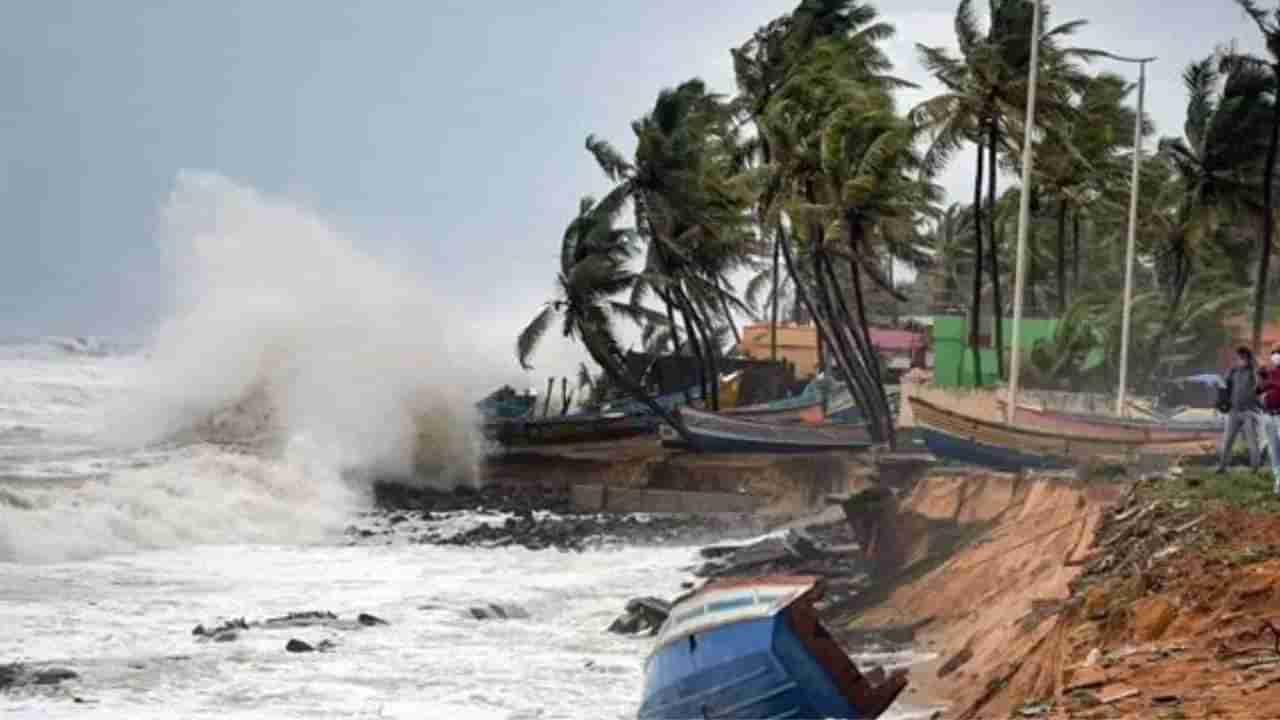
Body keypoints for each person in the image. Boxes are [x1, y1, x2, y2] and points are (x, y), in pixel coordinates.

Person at [1217, 346, 1261, 473]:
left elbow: (1259, 382)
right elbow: (1224, 386)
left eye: (1243, 357)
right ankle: (1222, 467)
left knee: (1252, 441)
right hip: (1234, 411)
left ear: (1248, 357)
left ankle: (1255, 468)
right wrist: (1222, 400)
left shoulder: (1253, 371)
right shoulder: (1233, 371)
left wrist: (1253, 364)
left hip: (1249, 412)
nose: (1240, 359)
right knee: (1227, 441)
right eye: (1239, 357)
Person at [1257, 349, 1280, 495]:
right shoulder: (1270, 373)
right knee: (1273, 451)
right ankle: (1278, 480)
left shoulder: (1272, 376)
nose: (1276, 357)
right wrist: (1261, 376)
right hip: (1268, 416)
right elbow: (1258, 390)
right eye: (1274, 354)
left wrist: (1269, 382)